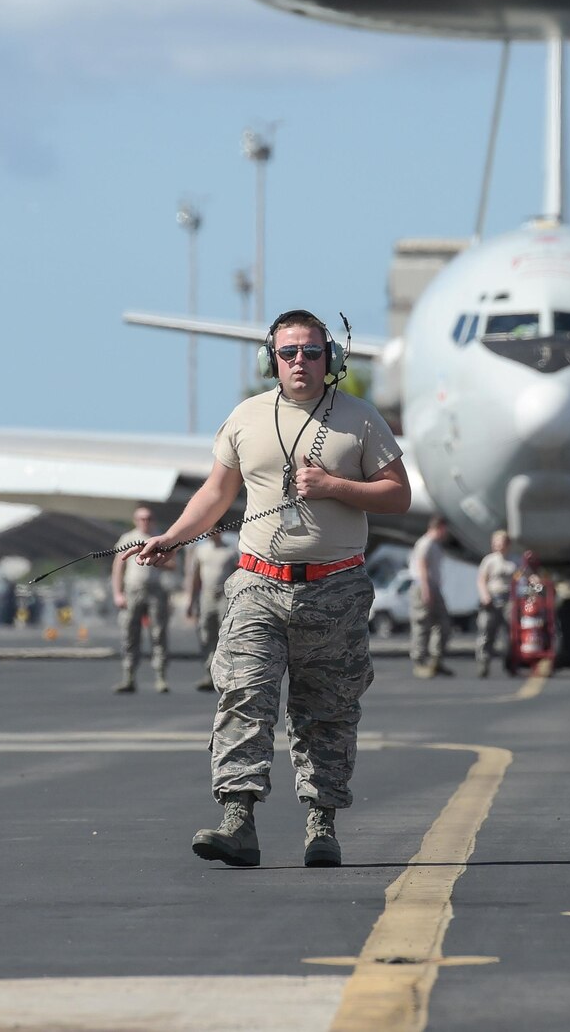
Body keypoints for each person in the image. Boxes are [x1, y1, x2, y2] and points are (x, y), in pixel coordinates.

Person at [127, 309, 411, 868]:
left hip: (335, 589)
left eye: (310, 352)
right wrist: (174, 537)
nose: (299, 362)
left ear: (330, 357)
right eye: (288, 353)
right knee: (243, 694)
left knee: (326, 710)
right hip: (258, 583)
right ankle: (238, 819)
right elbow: (215, 493)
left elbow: (397, 494)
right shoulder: (246, 418)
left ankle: (321, 823)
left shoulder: (359, 419)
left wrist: (334, 485)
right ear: (270, 360)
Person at [111, 505, 178, 694]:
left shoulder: (161, 538)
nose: (145, 522)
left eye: (148, 518)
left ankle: (161, 676)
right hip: (133, 590)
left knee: (159, 634)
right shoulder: (127, 539)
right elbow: (118, 568)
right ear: (135, 520)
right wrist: (118, 593)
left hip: (156, 591)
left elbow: (173, 565)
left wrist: (157, 559)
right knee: (130, 634)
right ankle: (129, 676)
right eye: (141, 519)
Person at [185, 529, 241, 692]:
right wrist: (191, 601)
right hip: (206, 596)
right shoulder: (200, 551)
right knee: (205, 634)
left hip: (224, 595)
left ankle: (225, 674)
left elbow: (237, 576)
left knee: (225, 634)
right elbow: (194, 578)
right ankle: (209, 673)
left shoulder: (230, 552)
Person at [408, 515, 453, 678]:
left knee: (442, 624)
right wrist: (426, 589)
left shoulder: (435, 545)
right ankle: (419, 662)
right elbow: (422, 567)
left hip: (432, 587)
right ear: (439, 527)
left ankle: (436, 661)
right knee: (422, 624)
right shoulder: (425, 543)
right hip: (423, 586)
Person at [474, 529, 516, 678]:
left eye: (502, 542)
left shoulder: (513, 561)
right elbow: (481, 580)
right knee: (486, 632)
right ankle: (483, 663)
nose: (499, 545)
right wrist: (485, 596)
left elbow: (524, 576)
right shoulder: (489, 560)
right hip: (492, 598)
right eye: (496, 542)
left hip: (508, 600)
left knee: (511, 633)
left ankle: (510, 662)